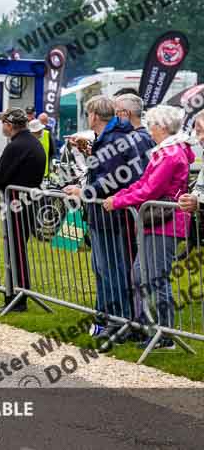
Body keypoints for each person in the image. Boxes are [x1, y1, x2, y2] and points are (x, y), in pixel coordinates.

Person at [104, 105, 195, 350]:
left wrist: (118, 200)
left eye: (152, 125)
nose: (150, 130)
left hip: (164, 224)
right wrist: (120, 194)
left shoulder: (170, 154)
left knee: (157, 278)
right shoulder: (165, 151)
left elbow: (150, 190)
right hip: (156, 222)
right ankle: (150, 325)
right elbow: (143, 183)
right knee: (140, 275)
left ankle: (165, 334)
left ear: (162, 127)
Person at [63, 96, 149, 343]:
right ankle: (111, 319)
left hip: (111, 216)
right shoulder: (109, 138)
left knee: (112, 270)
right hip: (104, 215)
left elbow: (113, 178)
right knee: (104, 269)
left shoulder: (114, 139)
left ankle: (119, 322)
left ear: (93, 115)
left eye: (88, 113)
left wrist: (84, 192)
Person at [0, 108, 45, 312]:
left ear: (9, 125)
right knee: (16, 251)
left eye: (3, 122)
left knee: (15, 252)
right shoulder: (32, 142)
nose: (1, 125)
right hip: (26, 201)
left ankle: (17, 299)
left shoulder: (16, 146)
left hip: (17, 204)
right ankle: (15, 295)